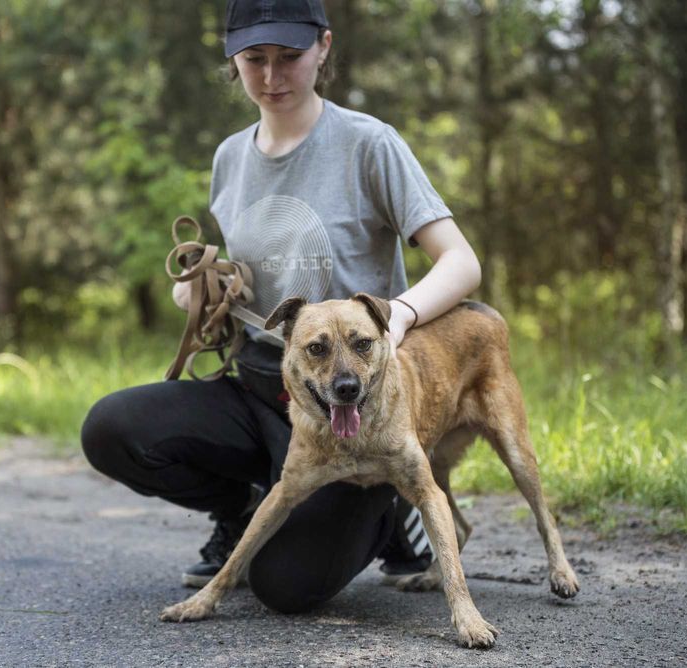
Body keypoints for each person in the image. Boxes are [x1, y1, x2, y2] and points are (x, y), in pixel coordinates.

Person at [80, 0, 482, 614]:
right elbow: (242, 273)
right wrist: (199, 290)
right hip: (262, 386)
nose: (272, 77)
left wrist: (399, 316)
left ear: (323, 47)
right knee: (112, 429)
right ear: (234, 61)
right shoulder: (230, 157)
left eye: (289, 57)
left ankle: (394, 509)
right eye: (254, 59)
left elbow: (461, 262)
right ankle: (239, 508)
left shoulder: (368, 144)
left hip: (353, 404)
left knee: (285, 588)